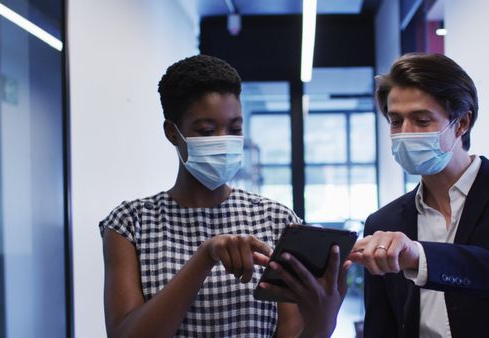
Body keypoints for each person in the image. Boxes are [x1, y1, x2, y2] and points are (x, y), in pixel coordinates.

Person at [99, 54, 348, 338]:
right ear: (172, 132)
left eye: (235, 129)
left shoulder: (275, 220)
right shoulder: (131, 224)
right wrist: (205, 257)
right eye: (206, 130)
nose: (223, 140)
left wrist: (323, 322)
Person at [348, 53, 489, 338]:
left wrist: (420, 256)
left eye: (422, 120)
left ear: (461, 123)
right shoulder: (383, 221)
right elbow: (382, 325)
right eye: (396, 121)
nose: (405, 133)